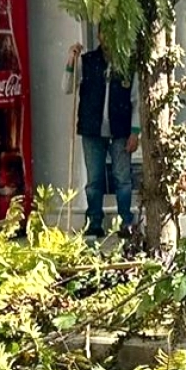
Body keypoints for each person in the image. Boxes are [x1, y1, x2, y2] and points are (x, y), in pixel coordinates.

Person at [68, 33, 140, 239]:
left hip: (120, 129)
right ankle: (94, 222)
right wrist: (71, 62)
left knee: (122, 178)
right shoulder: (87, 61)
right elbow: (67, 87)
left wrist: (135, 132)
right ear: (99, 35)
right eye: (105, 32)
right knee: (94, 180)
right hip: (92, 129)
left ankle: (126, 222)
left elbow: (136, 100)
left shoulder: (128, 64)